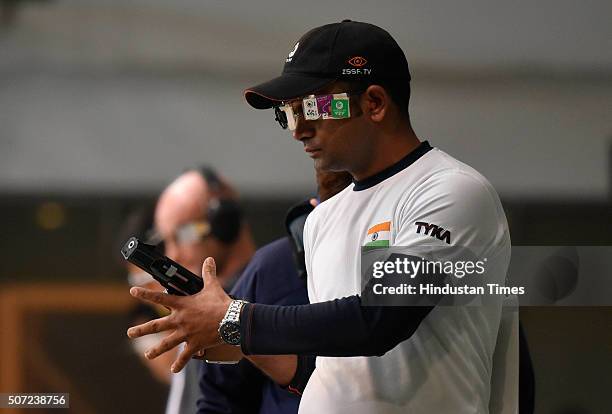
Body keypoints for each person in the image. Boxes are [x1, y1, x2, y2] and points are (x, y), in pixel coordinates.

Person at [128, 20, 514, 413]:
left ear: (375, 103)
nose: (299, 130)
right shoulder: (322, 220)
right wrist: (240, 340)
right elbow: (338, 365)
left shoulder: (451, 191)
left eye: (311, 107)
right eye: (289, 114)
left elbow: (379, 319)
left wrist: (235, 320)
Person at [197, 169, 352, 414]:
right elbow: (218, 398)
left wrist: (245, 325)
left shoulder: (406, 236)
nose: (299, 133)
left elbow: (378, 327)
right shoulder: (270, 268)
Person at [153, 166, 256, 414]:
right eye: (166, 241)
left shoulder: (264, 293)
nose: (173, 254)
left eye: (183, 234)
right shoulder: (196, 307)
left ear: (224, 223)